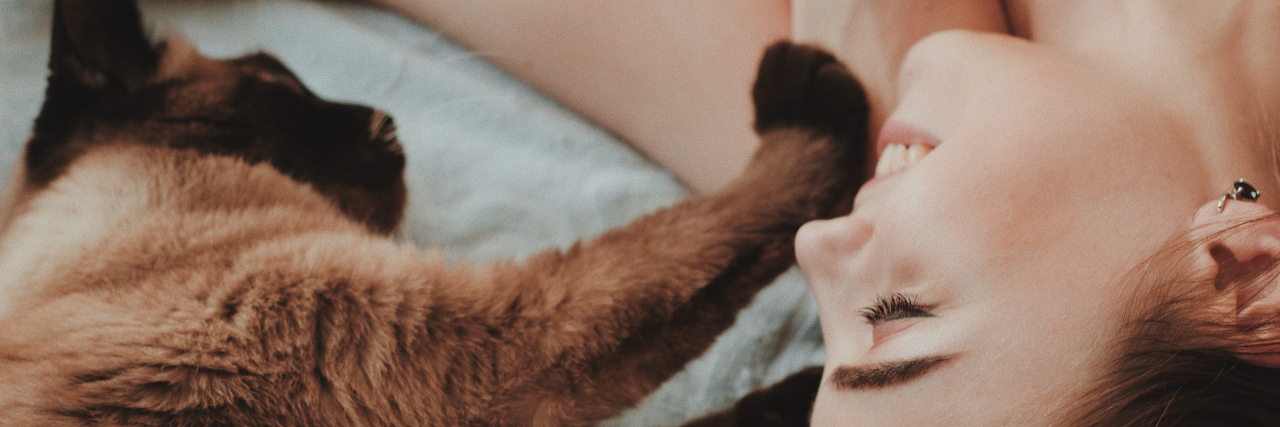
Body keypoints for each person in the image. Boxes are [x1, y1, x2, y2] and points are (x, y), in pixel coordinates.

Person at [367, 0, 1280, 424]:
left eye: (828, 341)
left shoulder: (869, 117)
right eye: (897, 316)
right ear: (1243, 278)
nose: (813, 243)